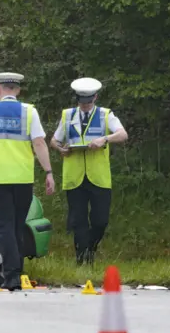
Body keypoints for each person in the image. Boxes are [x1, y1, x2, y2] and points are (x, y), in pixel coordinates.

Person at [0, 72, 55, 291]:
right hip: (22, 178)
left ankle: (12, 276)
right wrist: (48, 172)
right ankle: (18, 270)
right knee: (17, 225)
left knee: (3, 226)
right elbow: (39, 143)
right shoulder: (29, 112)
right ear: (17, 90)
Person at [49, 77, 128, 266]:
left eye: (88, 102)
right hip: (74, 176)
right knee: (78, 221)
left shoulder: (105, 115)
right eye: (81, 102)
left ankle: (90, 249)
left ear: (95, 98)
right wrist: (61, 149)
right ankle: (81, 259)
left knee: (100, 220)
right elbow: (54, 140)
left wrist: (104, 139)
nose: (84, 106)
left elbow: (123, 134)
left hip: (98, 176)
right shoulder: (68, 115)